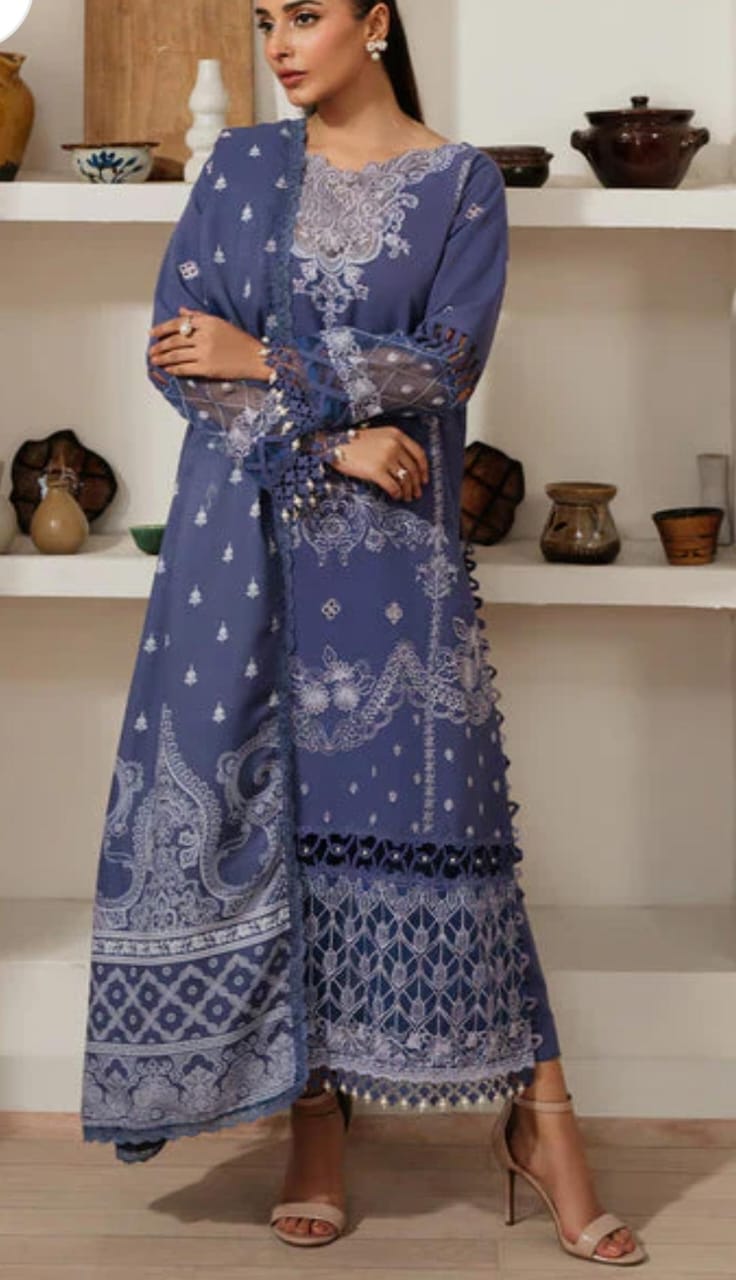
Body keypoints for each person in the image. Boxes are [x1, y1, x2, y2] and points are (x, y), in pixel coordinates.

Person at [80, 0, 646, 1265]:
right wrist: (328, 436)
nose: (279, 43)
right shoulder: (240, 166)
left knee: (450, 836)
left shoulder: (459, 183)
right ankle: (314, 1124)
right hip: (245, 551)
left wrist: (272, 360)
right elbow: (181, 355)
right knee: (275, 830)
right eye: (265, 19)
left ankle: (542, 1120)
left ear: (375, 20)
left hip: (392, 566)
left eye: (307, 14)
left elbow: (443, 362)